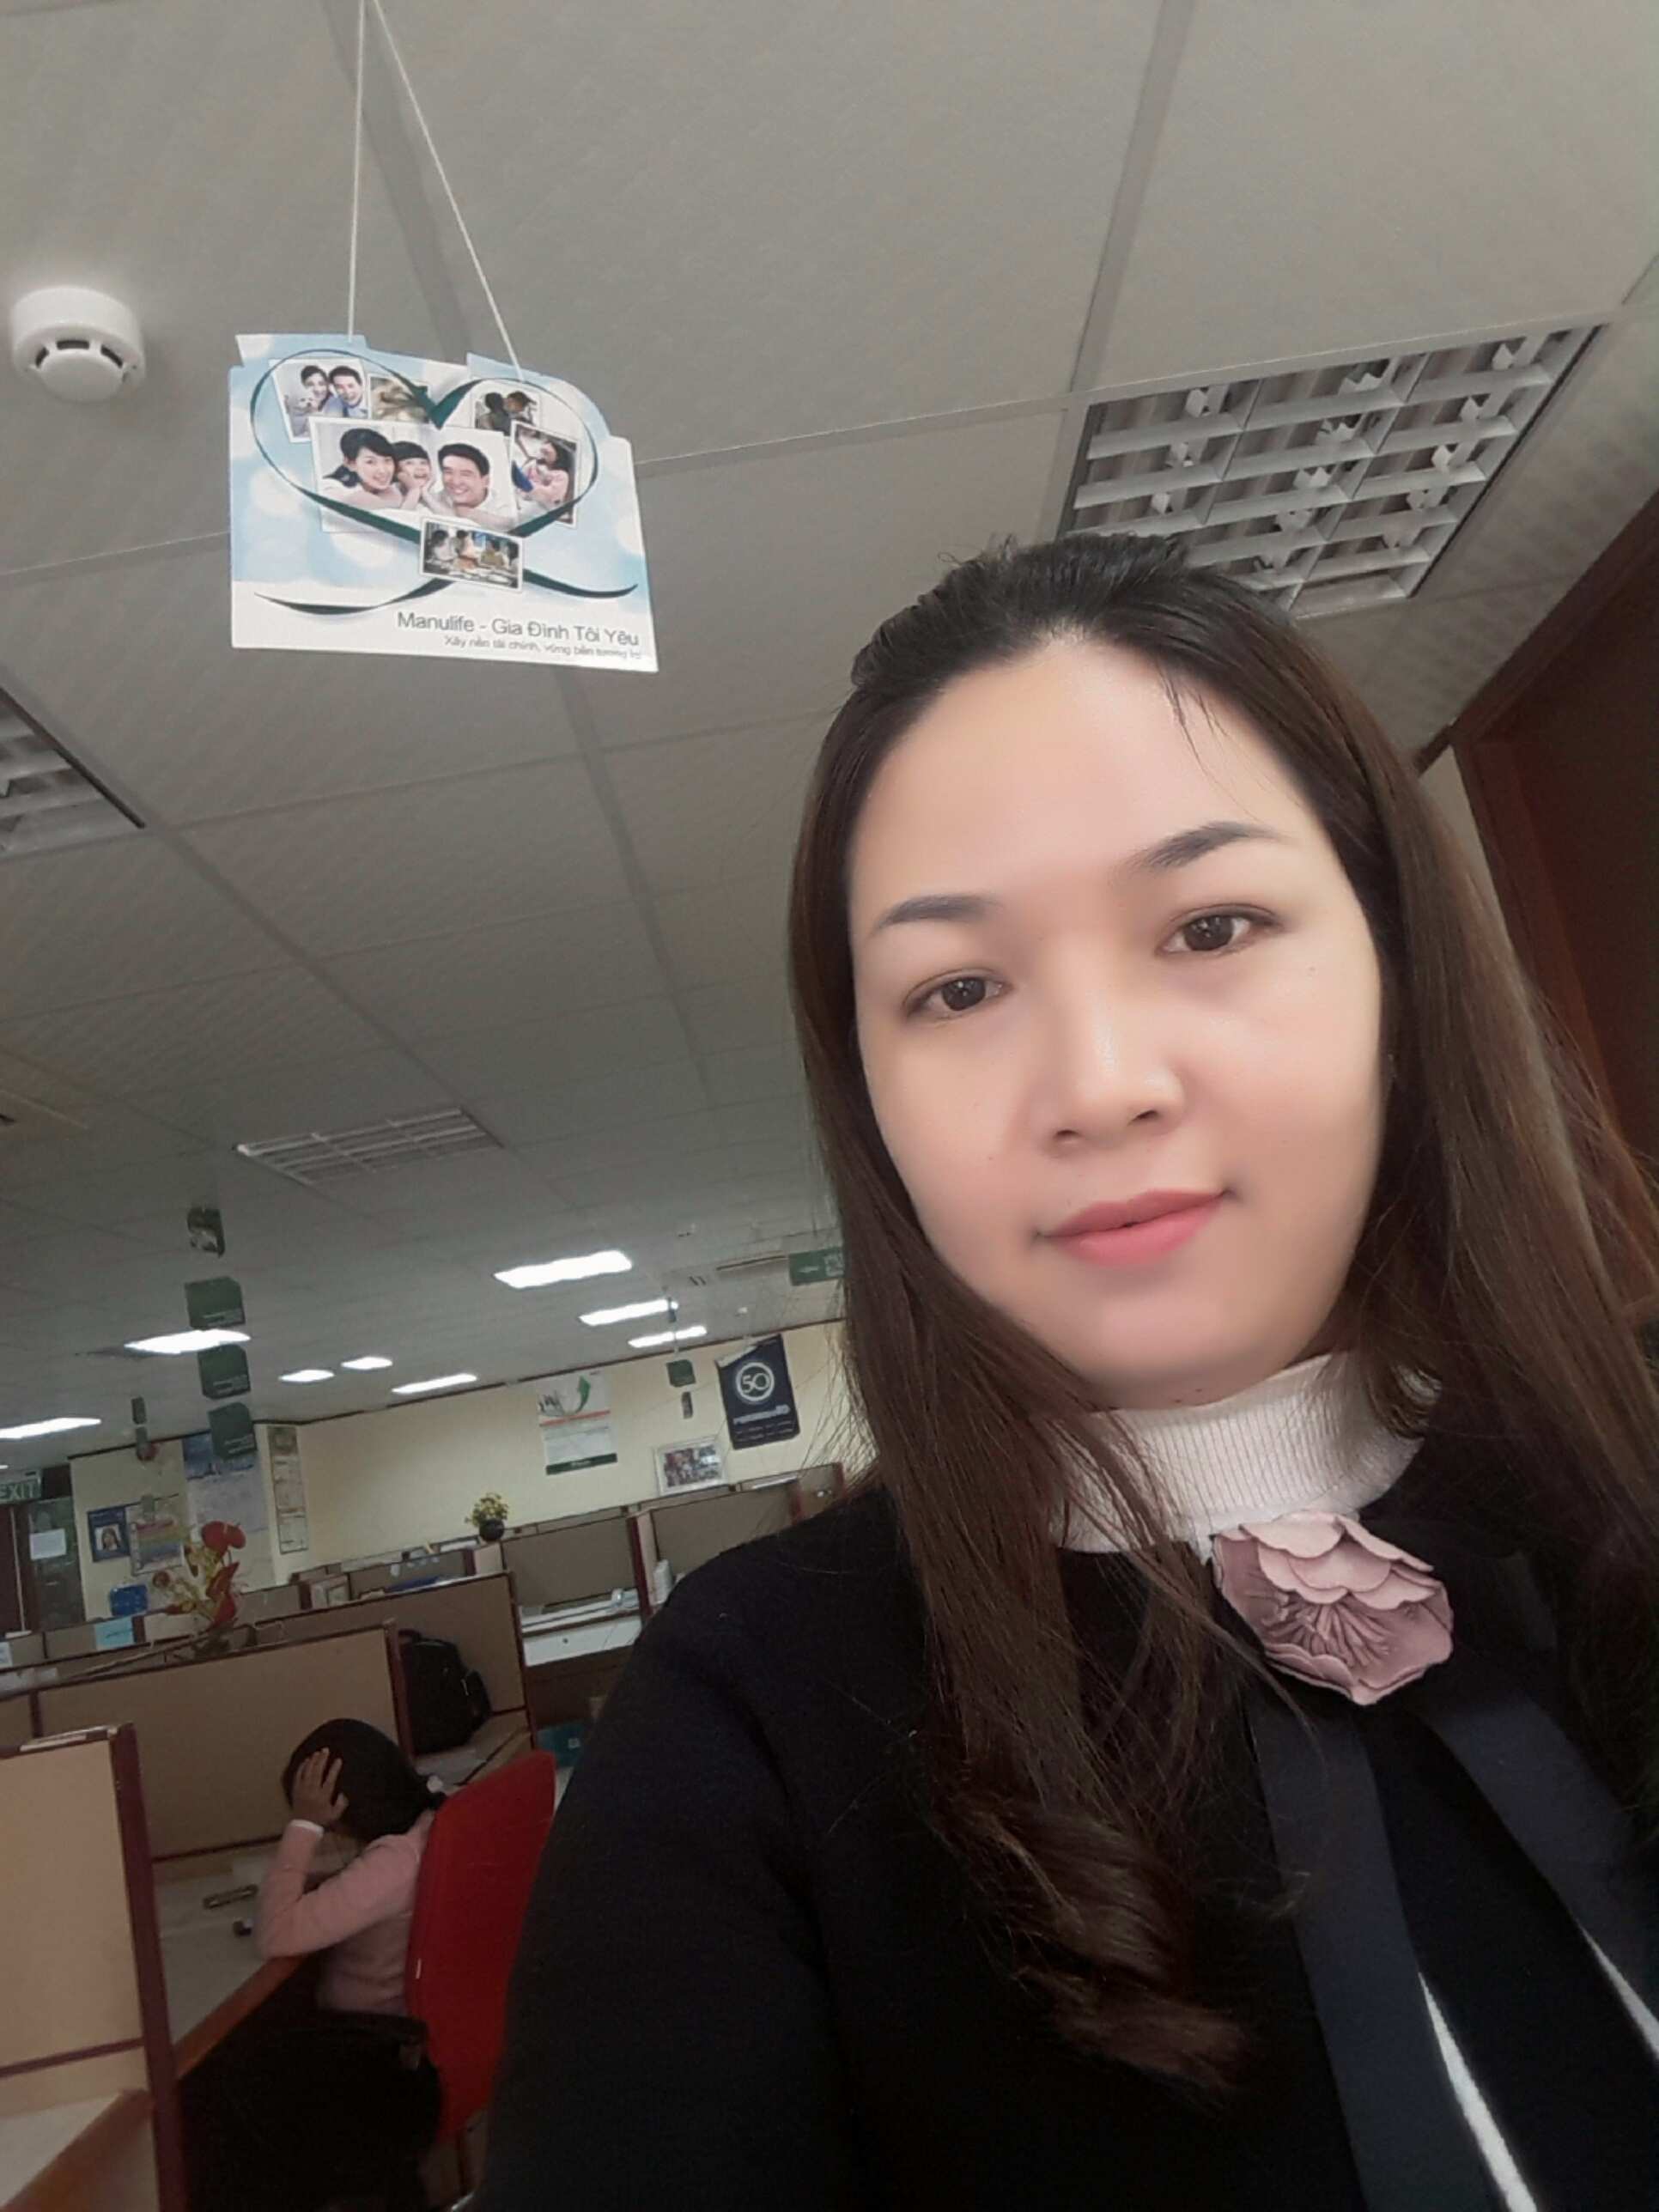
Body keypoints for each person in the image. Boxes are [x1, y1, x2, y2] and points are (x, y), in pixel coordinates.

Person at [478, 534, 1659, 2210]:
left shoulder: (1624, 1473)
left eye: (1213, 922)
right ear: (868, 1098)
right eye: (957, 986)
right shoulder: (747, 1722)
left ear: (1396, 971)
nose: (1099, 1085)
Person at [187, 1719, 444, 2212]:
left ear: (343, 1805)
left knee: (215, 2082)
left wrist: (303, 1827)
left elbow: (275, 1935)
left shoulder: (392, 1864)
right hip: (402, 2042)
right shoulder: (427, 1828)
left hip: (367, 2053)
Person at [425, 441, 514, 529]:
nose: (456, 482)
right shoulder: (432, 500)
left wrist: (471, 514)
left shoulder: (506, 510)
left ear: (486, 481)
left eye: (465, 474)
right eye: (448, 472)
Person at [325, 428, 406, 514]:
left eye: (387, 461)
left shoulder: (383, 489)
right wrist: (392, 500)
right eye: (370, 462)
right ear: (350, 464)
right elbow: (357, 501)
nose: (382, 470)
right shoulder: (331, 489)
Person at [285, 362, 330, 437]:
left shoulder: (336, 405)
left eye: (321, 384)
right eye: (310, 385)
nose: (317, 389)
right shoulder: (290, 408)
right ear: (303, 385)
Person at [391, 440, 434, 505]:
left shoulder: (435, 497)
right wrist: (414, 490)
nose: (420, 468)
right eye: (409, 463)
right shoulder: (387, 496)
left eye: (423, 463)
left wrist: (425, 493)